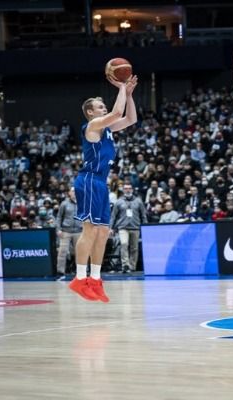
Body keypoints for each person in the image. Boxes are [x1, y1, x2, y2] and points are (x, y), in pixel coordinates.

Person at [68, 75, 138, 302]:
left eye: (103, 105)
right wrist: (121, 87)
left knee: (103, 232)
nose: (104, 108)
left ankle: (95, 279)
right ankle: (79, 279)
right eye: (100, 106)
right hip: (88, 180)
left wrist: (128, 95)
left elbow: (130, 119)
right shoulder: (92, 125)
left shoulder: (106, 128)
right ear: (90, 112)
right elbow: (117, 113)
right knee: (89, 230)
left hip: (100, 182)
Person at [110, 183, 147, 273]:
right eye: (126, 188)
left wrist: (145, 227)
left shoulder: (138, 201)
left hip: (135, 227)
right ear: (123, 190)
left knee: (134, 248)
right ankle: (125, 265)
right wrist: (111, 228)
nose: (128, 190)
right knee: (124, 244)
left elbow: (143, 215)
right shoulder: (119, 201)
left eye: (129, 188)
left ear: (132, 190)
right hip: (123, 227)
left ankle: (132, 266)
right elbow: (113, 216)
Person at [55, 187, 82, 279]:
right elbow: (59, 217)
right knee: (62, 252)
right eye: (73, 191)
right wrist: (58, 229)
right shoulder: (64, 203)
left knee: (80, 253)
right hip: (66, 231)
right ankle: (60, 272)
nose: (75, 193)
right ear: (69, 193)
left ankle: (81, 272)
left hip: (79, 231)